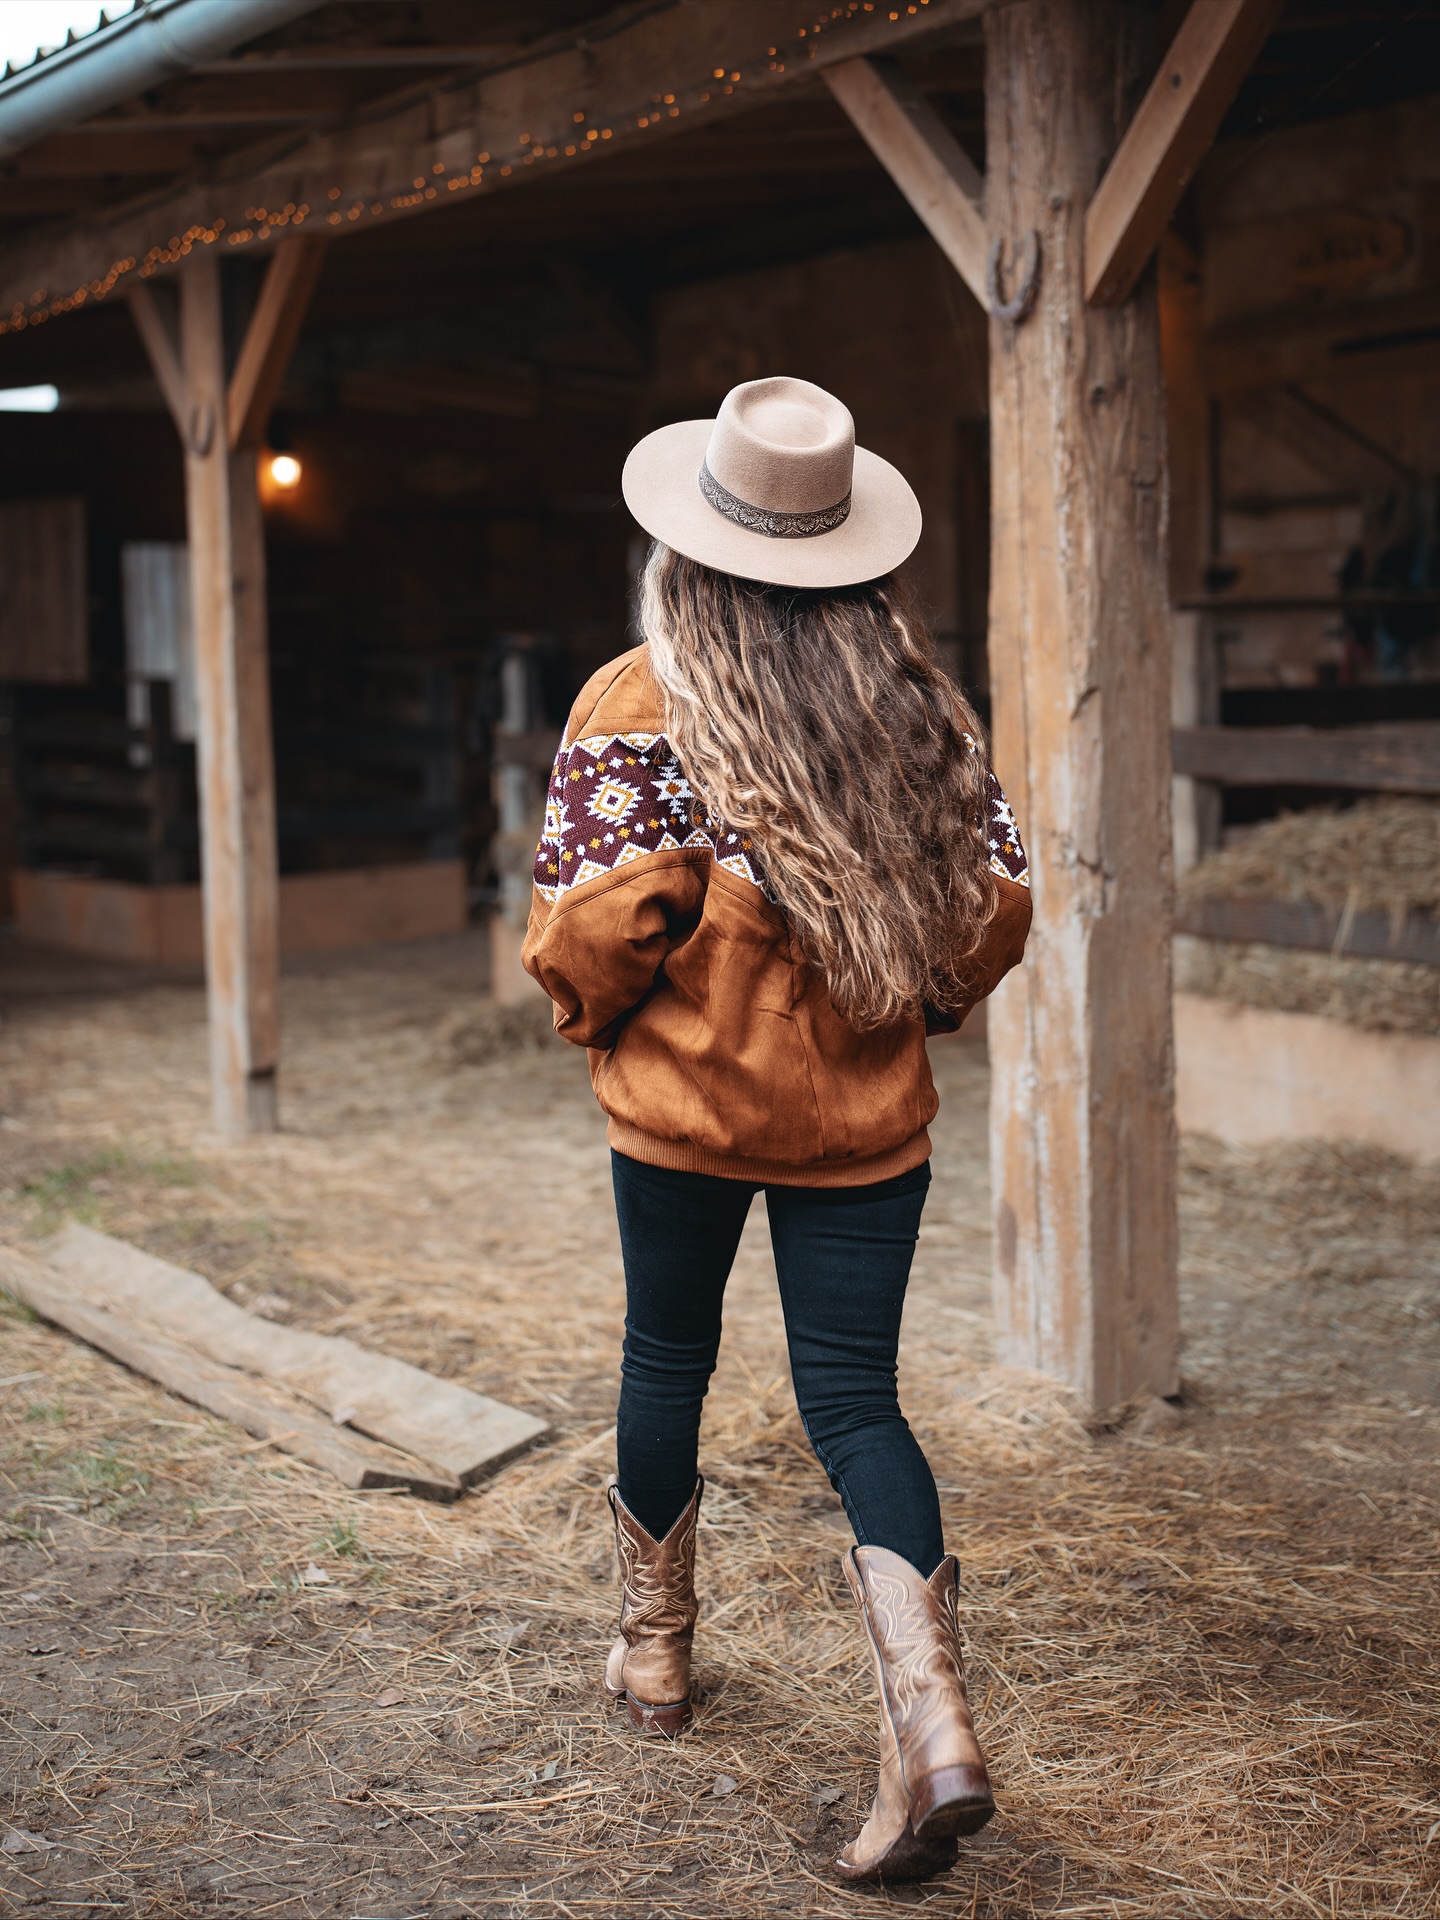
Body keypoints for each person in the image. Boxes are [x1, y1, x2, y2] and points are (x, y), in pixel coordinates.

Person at [522, 376, 1031, 1884]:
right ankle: (930, 1726)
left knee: (664, 1359)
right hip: (866, 1129)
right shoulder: (920, 709)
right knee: (859, 1407)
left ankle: (657, 1660)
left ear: (693, 548)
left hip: (682, 1116)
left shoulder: (638, 705)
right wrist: (910, 1009)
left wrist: (610, 1028)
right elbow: (992, 907)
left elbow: (589, 932)